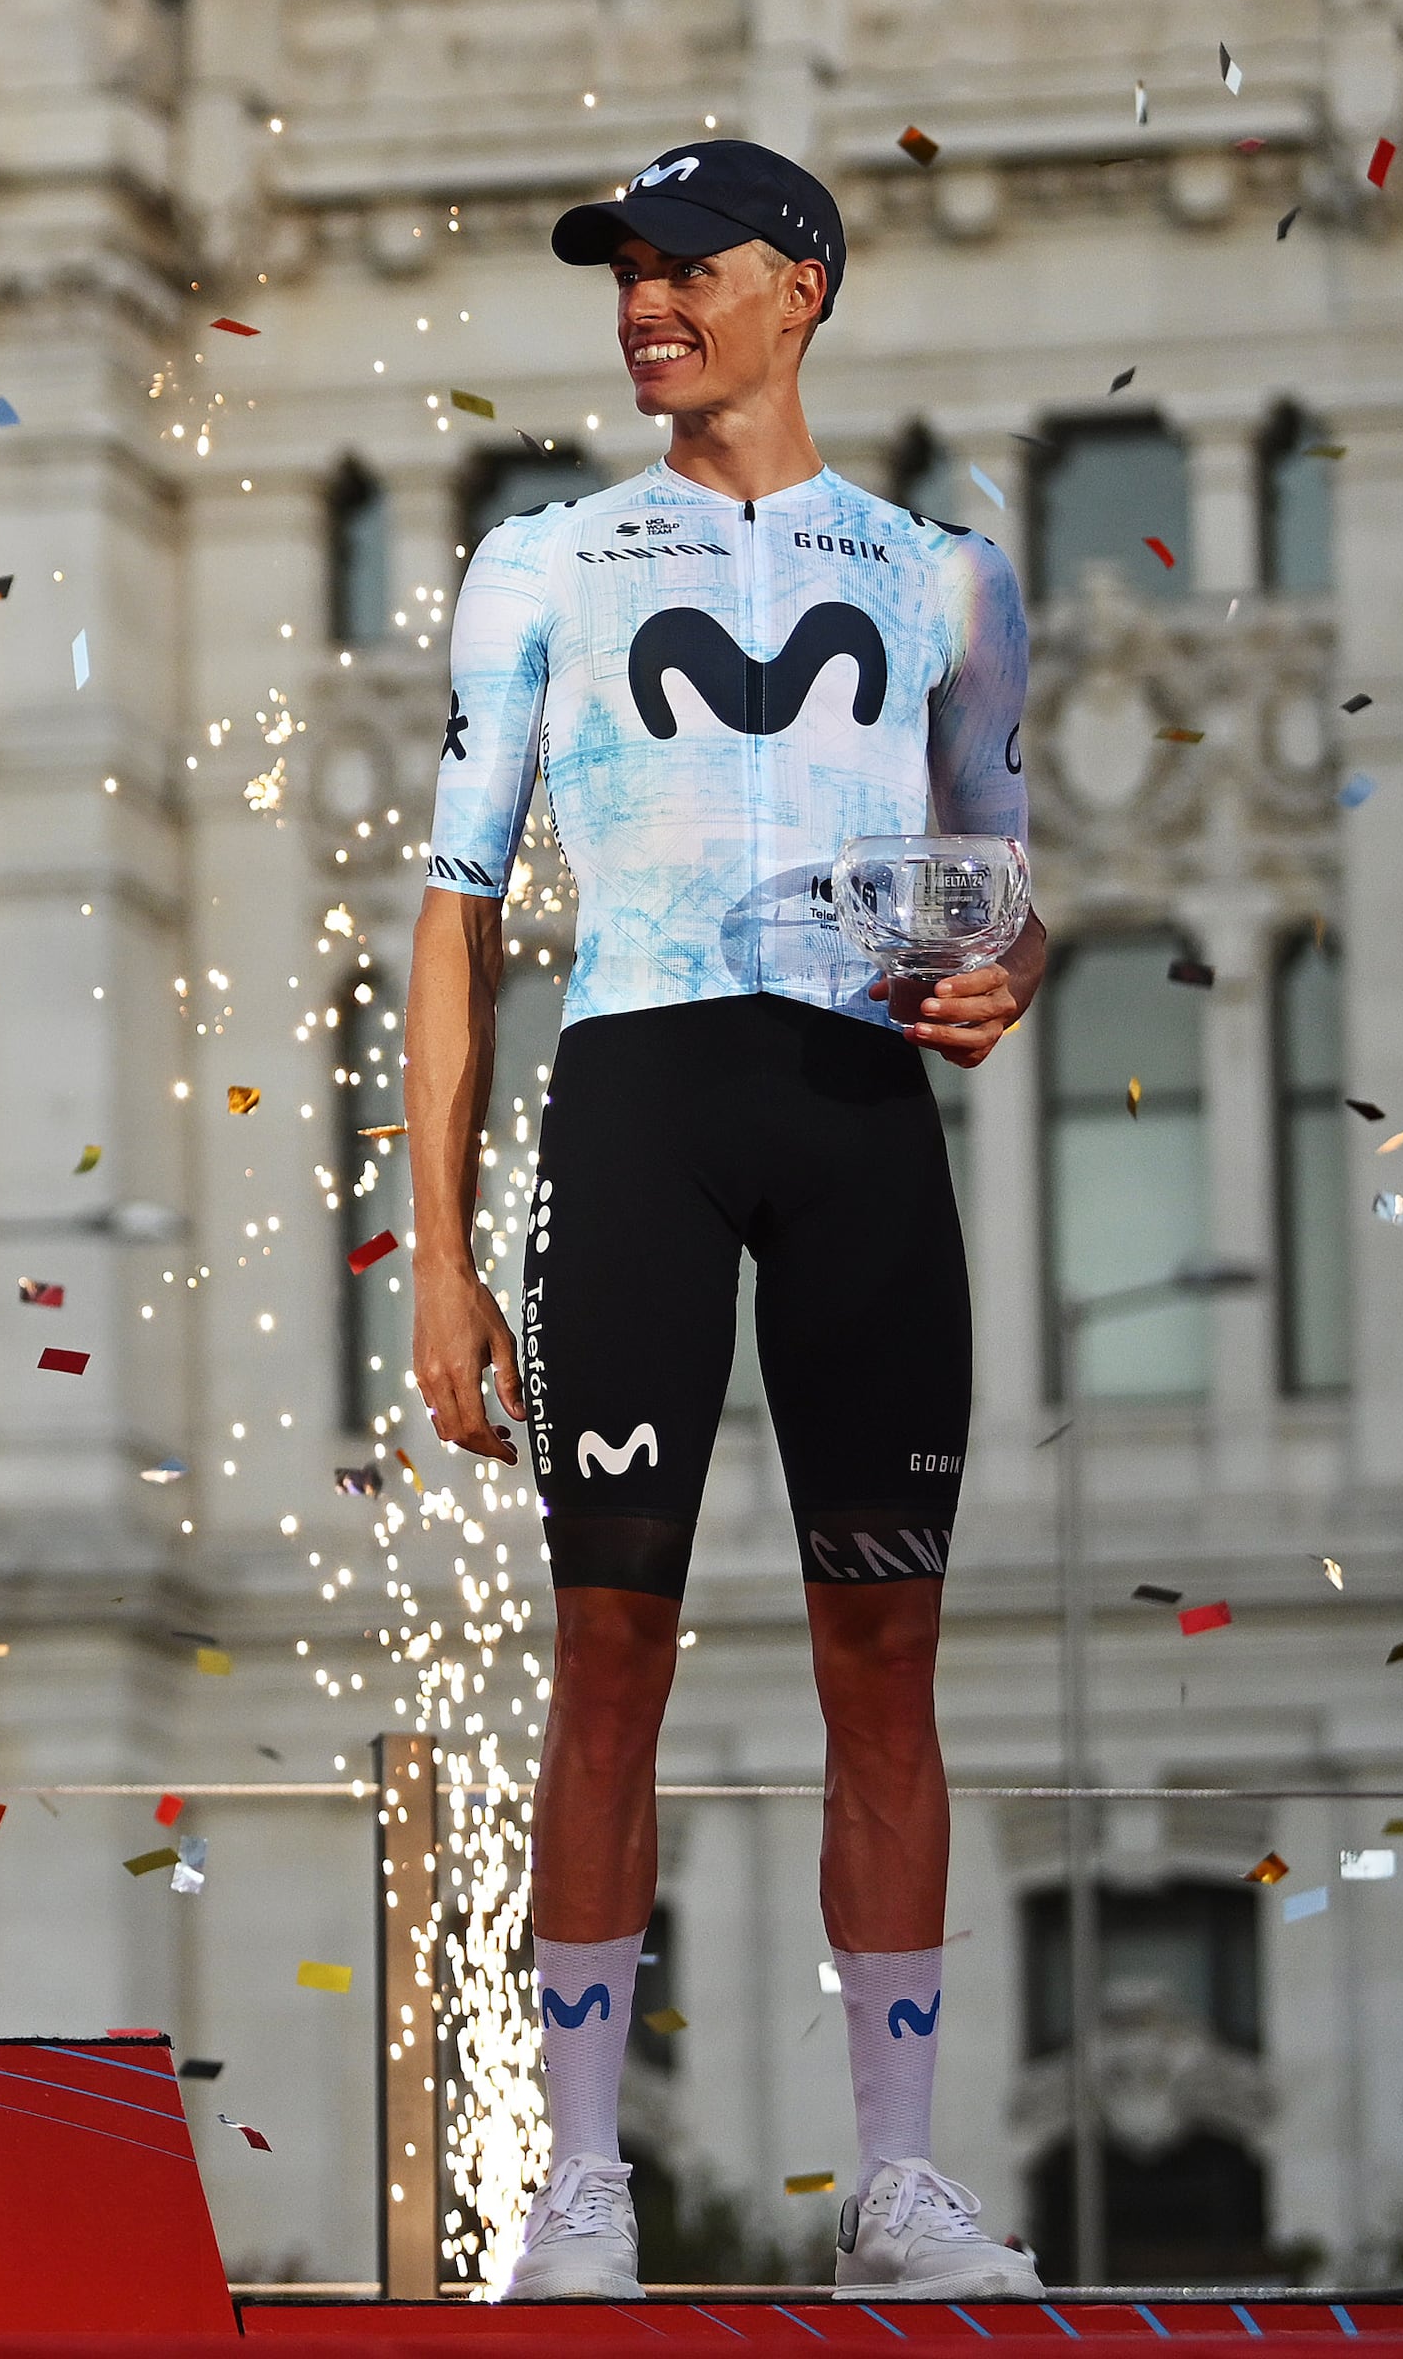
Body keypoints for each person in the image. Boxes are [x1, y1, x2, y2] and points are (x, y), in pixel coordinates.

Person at [397, 138, 1045, 2305]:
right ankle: (577, 2179)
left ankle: (894, 2180)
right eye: (625, 272)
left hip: (858, 1117)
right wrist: (441, 1252)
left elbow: (995, 877)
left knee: (888, 1658)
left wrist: (1003, 968)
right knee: (610, 1656)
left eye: (686, 267)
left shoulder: (948, 572)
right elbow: (457, 907)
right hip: (643, 1098)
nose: (645, 301)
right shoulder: (542, 562)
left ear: (805, 287)